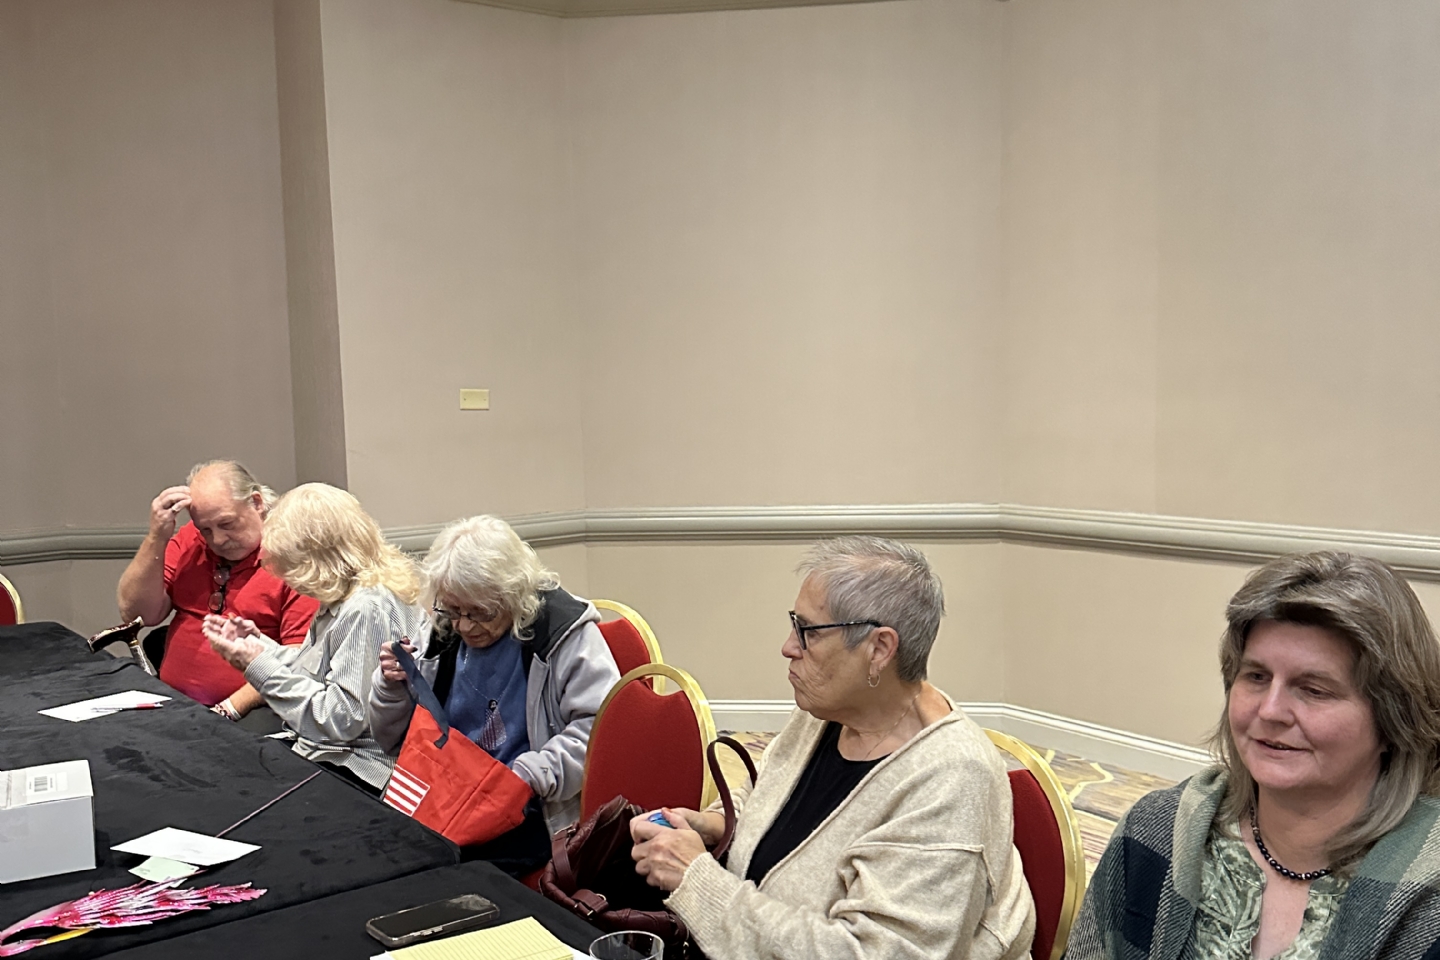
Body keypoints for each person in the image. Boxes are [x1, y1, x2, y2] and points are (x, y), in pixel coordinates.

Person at [629, 536, 1036, 960]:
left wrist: (696, 880)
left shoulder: (952, 780)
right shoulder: (829, 711)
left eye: (808, 632)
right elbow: (767, 789)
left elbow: (871, 954)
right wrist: (716, 824)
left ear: (879, 649)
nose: (788, 647)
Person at [1067, 550, 1440, 960]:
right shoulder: (1155, 832)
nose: (1270, 711)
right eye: (1257, 676)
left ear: (1393, 721)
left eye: (1314, 690)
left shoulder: (1428, 901)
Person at [369, 515, 620, 873]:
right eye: (454, 610)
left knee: (443, 877)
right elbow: (391, 741)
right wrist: (391, 686)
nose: (464, 625)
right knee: (381, 858)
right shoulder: (443, 630)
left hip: (526, 808)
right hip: (447, 791)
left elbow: (599, 730)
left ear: (514, 596)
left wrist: (531, 774)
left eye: (480, 612)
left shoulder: (562, 633)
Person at [203, 483, 426, 793]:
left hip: (356, 766)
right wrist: (259, 647)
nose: (289, 581)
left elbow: (340, 722)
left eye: (292, 568)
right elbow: (321, 670)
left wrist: (258, 666)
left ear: (316, 559)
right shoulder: (351, 592)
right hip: (325, 751)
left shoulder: (367, 607)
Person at [117, 460, 318, 720]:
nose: (218, 540)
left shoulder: (294, 559)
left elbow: (298, 661)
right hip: (177, 705)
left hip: (254, 713)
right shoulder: (191, 539)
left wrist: (227, 710)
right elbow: (137, 614)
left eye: (227, 524)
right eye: (206, 530)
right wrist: (157, 537)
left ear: (256, 503)